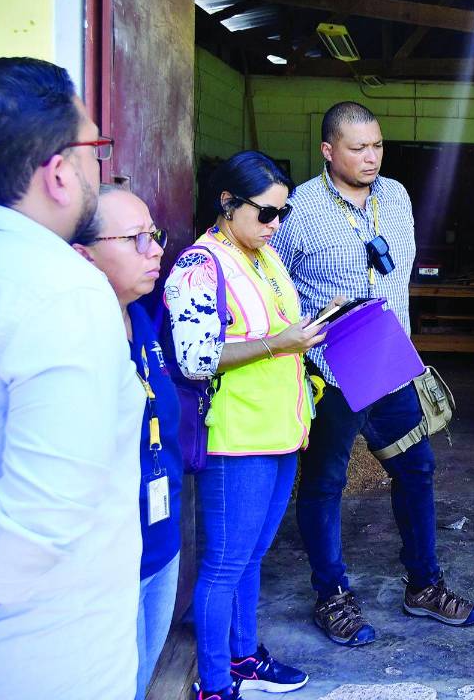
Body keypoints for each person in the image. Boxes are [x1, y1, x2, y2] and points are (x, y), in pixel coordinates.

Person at [271, 101, 474, 646]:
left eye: (377, 146)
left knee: (417, 470)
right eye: (358, 148)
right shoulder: (298, 211)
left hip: (389, 365)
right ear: (327, 150)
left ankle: (424, 586)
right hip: (332, 370)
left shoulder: (396, 196)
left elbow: (397, 274)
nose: (371, 157)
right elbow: (276, 285)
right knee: (324, 482)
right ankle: (332, 596)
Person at [0, 57, 143, 696]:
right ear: (58, 173)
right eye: (94, 148)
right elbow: (40, 514)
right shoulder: (63, 290)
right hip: (43, 655)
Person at [166, 151, 318, 700]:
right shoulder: (198, 266)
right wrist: (283, 342)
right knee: (224, 564)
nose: (276, 225)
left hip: (280, 430)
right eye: (267, 213)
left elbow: (277, 326)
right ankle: (213, 682)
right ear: (228, 204)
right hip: (235, 435)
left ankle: (243, 653)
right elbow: (194, 356)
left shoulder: (261, 255)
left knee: (252, 556)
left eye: (283, 213)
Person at [73, 185, 183, 699]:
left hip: (160, 539)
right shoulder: (71, 340)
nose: (156, 249)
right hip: (106, 560)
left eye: (154, 235)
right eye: (136, 239)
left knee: (140, 678)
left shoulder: (142, 318)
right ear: (83, 254)